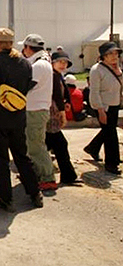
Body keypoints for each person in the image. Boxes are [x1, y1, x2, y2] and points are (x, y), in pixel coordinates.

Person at [0, 28, 43, 211]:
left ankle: (4, 197)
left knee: (1, 159)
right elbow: (27, 86)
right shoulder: (24, 63)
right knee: (21, 156)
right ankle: (34, 192)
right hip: (18, 116)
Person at [20, 34, 57, 192]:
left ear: (28, 48)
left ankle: (47, 177)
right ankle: (37, 173)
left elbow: (27, 86)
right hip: (35, 109)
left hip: (35, 110)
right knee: (32, 143)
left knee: (36, 145)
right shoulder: (41, 62)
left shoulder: (39, 65)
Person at [83, 41, 122, 174]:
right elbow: (94, 91)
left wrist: (118, 72)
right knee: (111, 134)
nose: (114, 56)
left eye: (116, 53)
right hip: (103, 105)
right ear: (103, 56)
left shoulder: (116, 67)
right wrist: (100, 110)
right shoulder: (96, 70)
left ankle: (92, 148)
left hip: (114, 104)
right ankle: (112, 163)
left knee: (108, 130)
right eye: (110, 54)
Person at [45, 52, 79, 184]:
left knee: (52, 145)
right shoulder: (52, 75)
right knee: (59, 145)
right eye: (60, 62)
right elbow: (57, 95)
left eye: (65, 62)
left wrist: (67, 103)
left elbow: (63, 93)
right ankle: (68, 176)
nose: (63, 65)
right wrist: (62, 112)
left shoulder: (58, 75)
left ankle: (68, 176)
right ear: (52, 62)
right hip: (52, 114)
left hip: (54, 114)